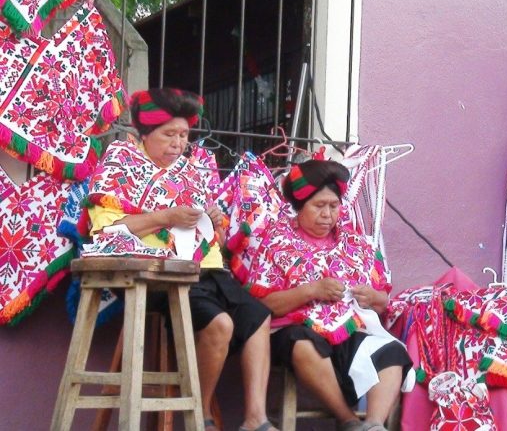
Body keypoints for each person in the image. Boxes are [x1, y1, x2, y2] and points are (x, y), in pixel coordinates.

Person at [86, 88, 277, 431]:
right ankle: (198, 415)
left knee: (257, 315)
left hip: (202, 270)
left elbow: (206, 232)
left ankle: (255, 419)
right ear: (144, 135)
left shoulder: (191, 172)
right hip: (153, 274)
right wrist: (164, 218)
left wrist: (213, 220)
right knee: (221, 324)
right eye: (168, 134)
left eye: (184, 135)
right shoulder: (119, 165)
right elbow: (107, 231)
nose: (177, 143)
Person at [247, 160, 413, 431]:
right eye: (318, 206)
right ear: (300, 207)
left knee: (391, 351)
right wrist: (311, 290)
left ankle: (373, 425)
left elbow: (385, 302)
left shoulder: (357, 245)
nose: (327, 214)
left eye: (333, 206)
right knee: (303, 342)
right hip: (296, 331)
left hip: (350, 330)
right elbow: (264, 304)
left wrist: (372, 297)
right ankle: (348, 420)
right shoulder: (277, 242)